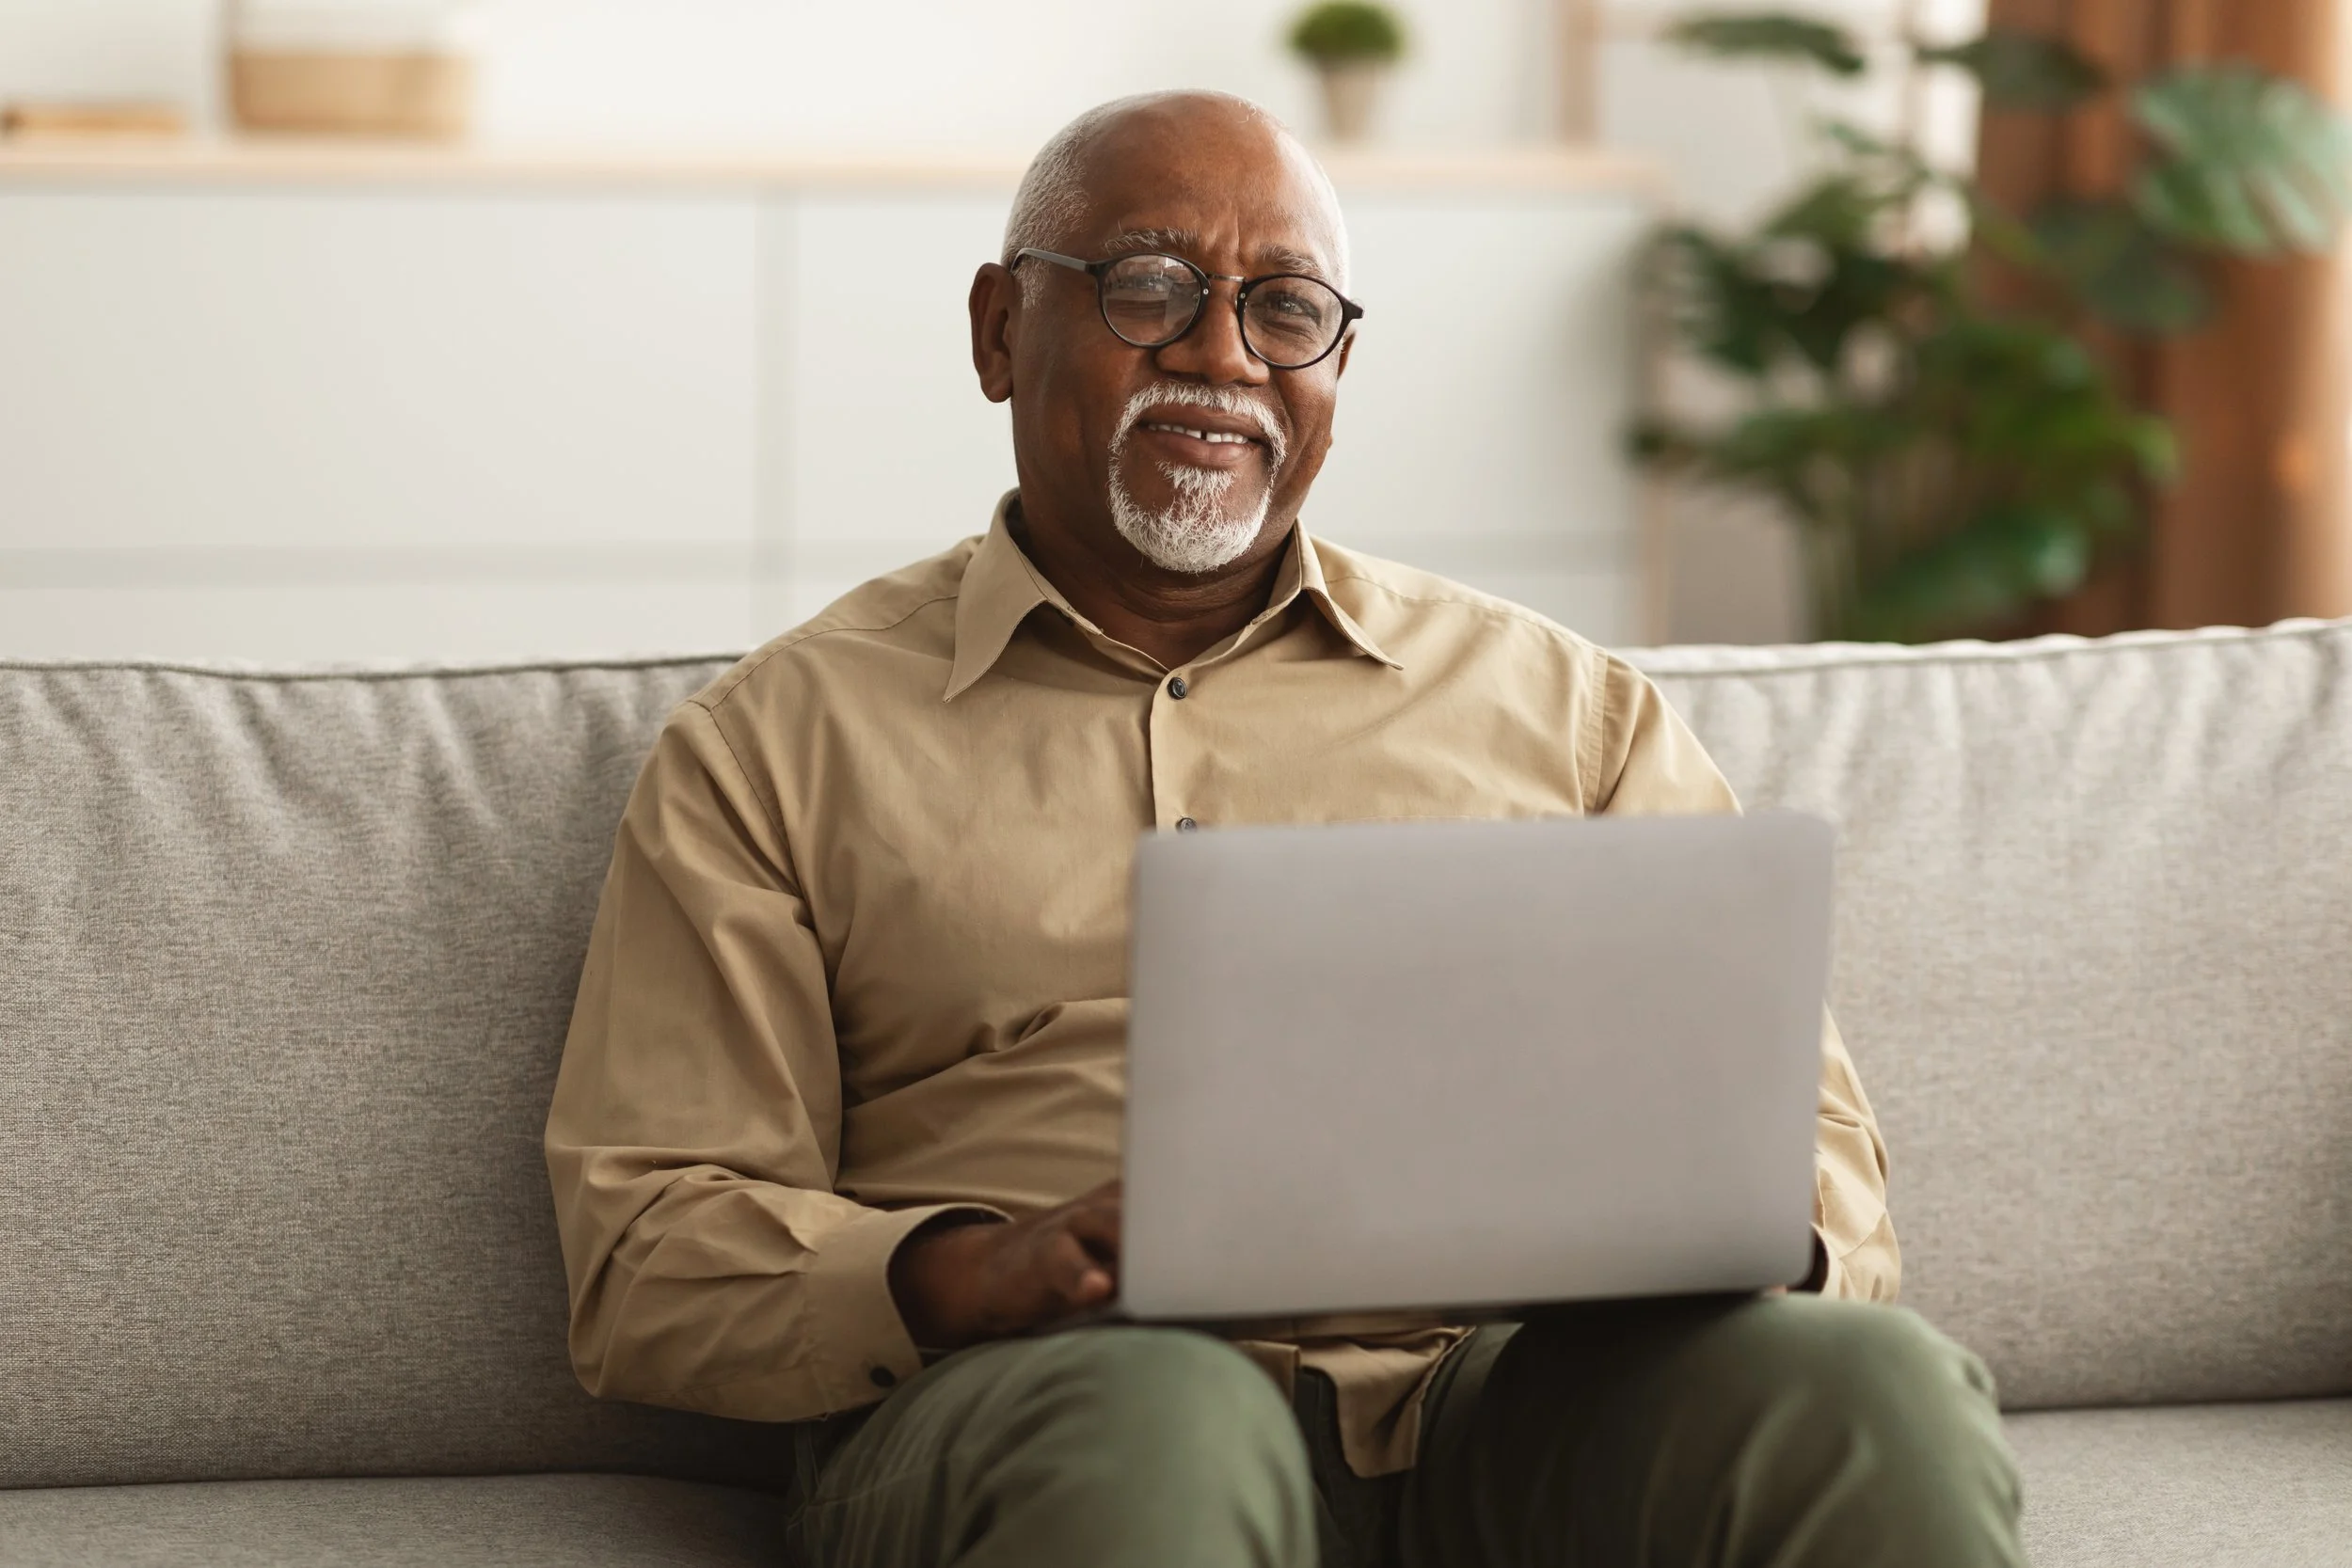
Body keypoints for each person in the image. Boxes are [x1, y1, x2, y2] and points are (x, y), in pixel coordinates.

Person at [546, 90, 2025, 1568]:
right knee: (1161, 1428)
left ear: (1340, 361)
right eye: (1149, 288)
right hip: (1054, 1405)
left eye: (1286, 308)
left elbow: (1814, 1150)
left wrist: (1735, 1247)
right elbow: (646, 1247)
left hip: (1500, 1399)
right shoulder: (774, 743)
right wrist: (976, 1269)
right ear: (1000, 329)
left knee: (1868, 1393)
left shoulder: (1571, 710)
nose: (1220, 354)